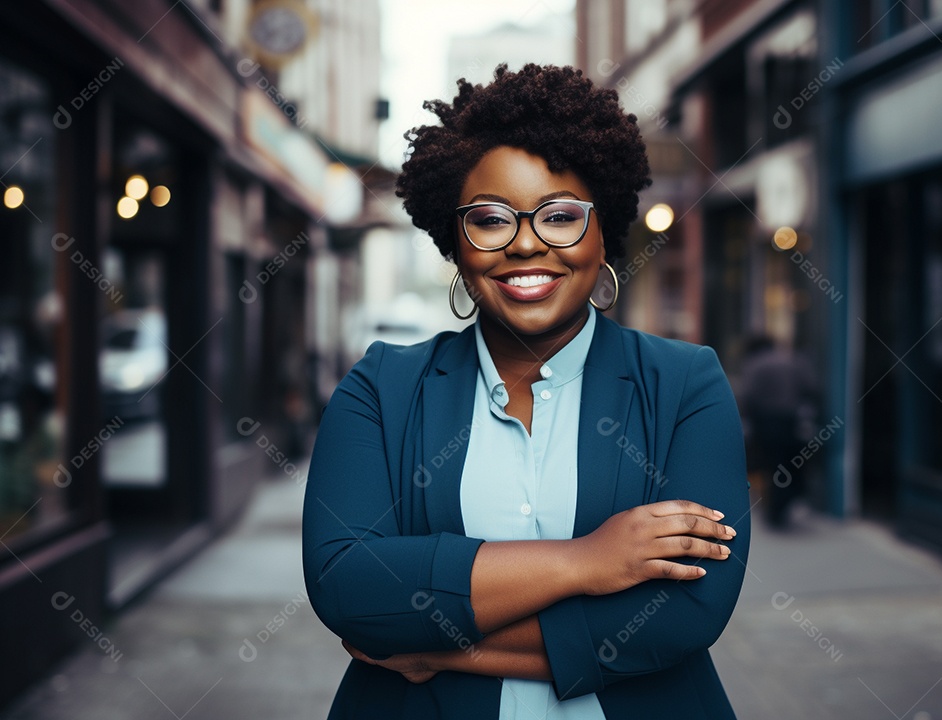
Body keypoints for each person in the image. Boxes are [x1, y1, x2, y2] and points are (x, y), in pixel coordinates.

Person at [302, 64, 750, 719]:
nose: (526, 244)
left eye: (560, 216)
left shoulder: (684, 384)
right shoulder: (380, 388)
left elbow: (684, 613)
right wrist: (587, 562)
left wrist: (440, 649)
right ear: (456, 244)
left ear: (603, 232)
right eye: (490, 220)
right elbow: (347, 586)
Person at [739, 334, 818, 528]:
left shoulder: (754, 364)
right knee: (788, 464)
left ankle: (775, 509)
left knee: (770, 465)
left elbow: (747, 395)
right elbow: (810, 387)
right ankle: (783, 505)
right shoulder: (792, 361)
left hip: (765, 422)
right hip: (789, 421)